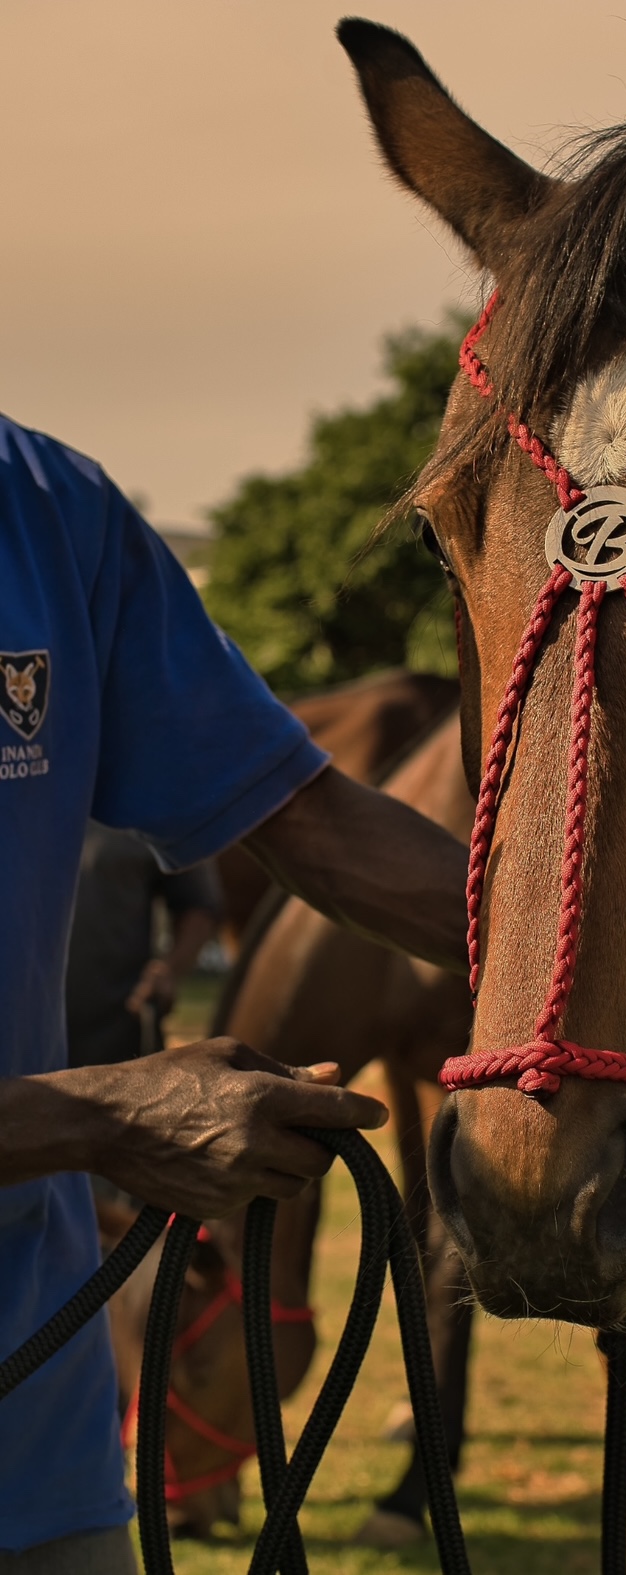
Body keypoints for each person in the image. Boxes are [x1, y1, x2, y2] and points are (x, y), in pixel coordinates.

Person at [0, 412, 470, 1572]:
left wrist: (611, 970)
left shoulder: (45, 503)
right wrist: (98, 1118)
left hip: (29, 1382)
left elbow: (303, 816)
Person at [67, 824, 223, 1068]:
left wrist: (168, 970)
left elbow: (198, 906)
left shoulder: (148, 805)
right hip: (19, 1026)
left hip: (117, 1026)